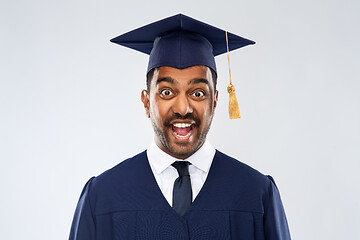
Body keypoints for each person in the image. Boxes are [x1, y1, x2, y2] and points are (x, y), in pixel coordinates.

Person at [69, 14, 291, 240]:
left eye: (198, 93)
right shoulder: (103, 196)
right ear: (146, 102)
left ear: (214, 102)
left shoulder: (257, 194)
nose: (183, 108)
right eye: (167, 92)